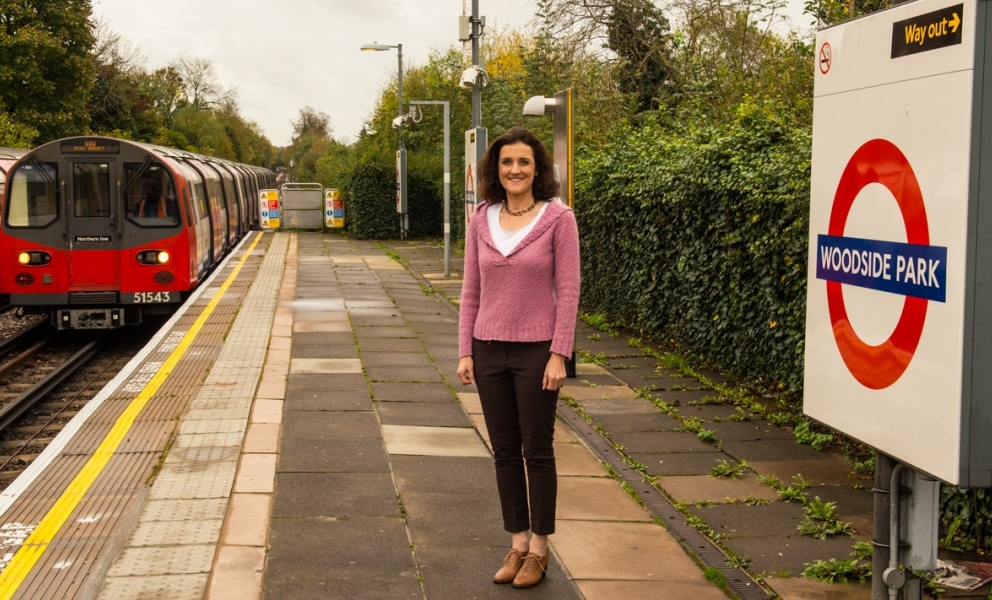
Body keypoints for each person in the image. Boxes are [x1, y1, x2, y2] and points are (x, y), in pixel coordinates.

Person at [456, 126, 580, 589]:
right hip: (488, 350)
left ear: (537, 168)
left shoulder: (558, 218)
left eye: (523, 162)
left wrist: (559, 354)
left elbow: (568, 292)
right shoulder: (480, 219)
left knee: (538, 450)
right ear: (496, 169)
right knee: (504, 452)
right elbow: (471, 291)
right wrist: (465, 349)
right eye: (507, 162)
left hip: (536, 352)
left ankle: (540, 549)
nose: (515, 170)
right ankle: (517, 542)